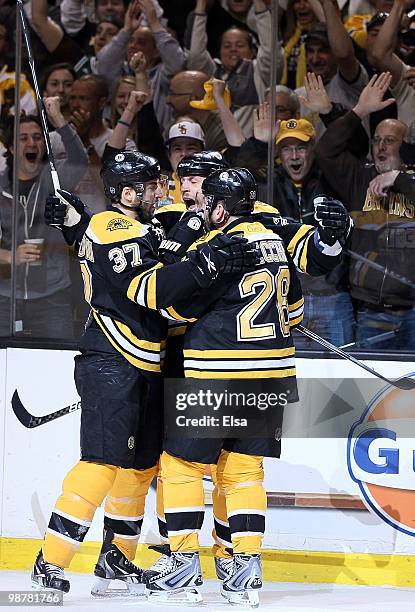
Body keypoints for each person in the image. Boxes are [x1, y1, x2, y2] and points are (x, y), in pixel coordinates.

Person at [31, 150, 257, 595]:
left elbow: (162, 244)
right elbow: (149, 286)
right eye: (153, 187)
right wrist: (204, 263)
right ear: (129, 193)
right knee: (101, 463)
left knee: (139, 468)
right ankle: (49, 562)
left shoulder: (144, 226)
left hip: (147, 364)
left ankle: (117, 562)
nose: (163, 192)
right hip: (111, 361)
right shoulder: (111, 226)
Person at [146, 168, 352, 605]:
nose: (201, 210)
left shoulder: (216, 245)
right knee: (243, 472)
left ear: (220, 207)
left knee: (179, 465)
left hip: (217, 372)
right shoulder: (275, 241)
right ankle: (246, 571)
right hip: (272, 375)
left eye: (206, 204)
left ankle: (182, 567)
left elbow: (174, 311)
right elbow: (294, 311)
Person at [315, 72, 415, 349]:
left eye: (390, 141)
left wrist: (399, 180)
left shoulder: (412, 182)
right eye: (376, 140)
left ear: (406, 147)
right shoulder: (359, 178)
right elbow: (326, 152)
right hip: (371, 311)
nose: (381, 147)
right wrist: (359, 111)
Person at [0, 100, 88, 339]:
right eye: (24, 138)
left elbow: (80, 160)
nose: (32, 143)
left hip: (52, 296)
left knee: (55, 365)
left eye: (38, 137)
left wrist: (57, 118)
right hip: (6, 296)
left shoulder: (55, 177)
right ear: (10, 147)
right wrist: (10, 256)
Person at [187, 0, 276, 136]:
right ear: (220, 51)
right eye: (227, 46)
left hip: (247, 146)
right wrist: (201, 5)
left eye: (240, 45)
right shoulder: (212, 71)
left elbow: (270, 48)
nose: (233, 49)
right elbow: (196, 54)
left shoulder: (258, 70)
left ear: (252, 51)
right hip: (215, 146)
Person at [164, 120, 205, 203]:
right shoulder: (158, 185)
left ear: (203, 153)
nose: (184, 154)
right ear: (169, 155)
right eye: (177, 149)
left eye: (190, 148)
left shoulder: (211, 185)